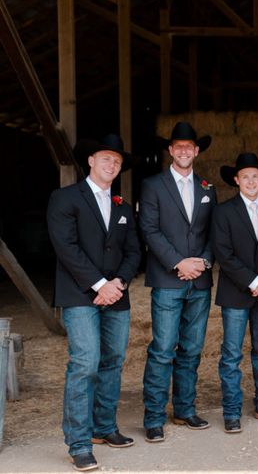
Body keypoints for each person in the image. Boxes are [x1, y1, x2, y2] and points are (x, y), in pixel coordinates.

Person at [47, 134, 141, 472]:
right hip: (79, 294)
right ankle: (79, 442)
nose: (112, 164)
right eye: (106, 158)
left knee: (113, 361)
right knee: (86, 362)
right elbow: (65, 247)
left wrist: (119, 283)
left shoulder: (123, 208)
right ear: (90, 160)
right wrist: (99, 284)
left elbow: (134, 251)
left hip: (116, 294)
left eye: (117, 161)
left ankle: (104, 428)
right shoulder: (65, 198)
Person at [139, 122, 217, 442]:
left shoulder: (208, 188)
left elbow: (215, 232)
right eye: (178, 146)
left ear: (196, 151)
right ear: (170, 150)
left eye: (190, 146)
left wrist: (202, 263)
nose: (184, 150)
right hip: (168, 280)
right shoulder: (153, 185)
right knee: (162, 349)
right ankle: (154, 416)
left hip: (199, 282)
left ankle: (184, 409)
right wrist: (178, 262)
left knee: (192, 349)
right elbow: (150, 229)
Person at [212, 152, 258, 433]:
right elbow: (224, 253)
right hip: (235, 292)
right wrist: (251, 281)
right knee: (231, 354)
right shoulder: (223, 212)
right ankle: (231, 411)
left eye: (255, 176)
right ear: (236, 180)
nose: (251, 181)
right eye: (245, 176)